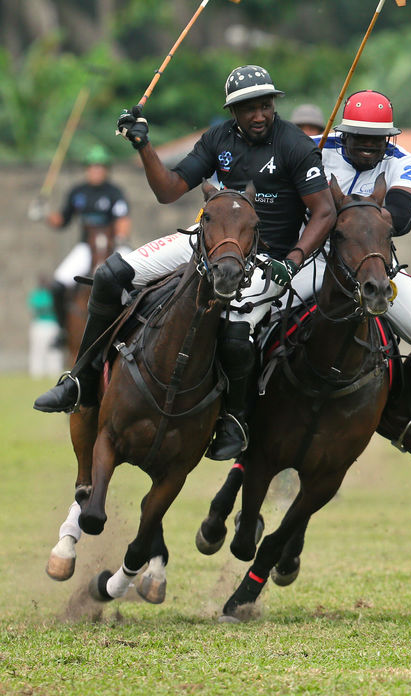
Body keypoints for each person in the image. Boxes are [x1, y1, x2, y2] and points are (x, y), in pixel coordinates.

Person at [34, 64, 336, 462]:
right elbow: (169, 190)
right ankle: (83, 381)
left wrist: (293, 260)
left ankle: (235, 419)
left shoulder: (295, 145)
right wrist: (144, 145)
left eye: (265, 106)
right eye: (249, 109)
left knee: (234, 330)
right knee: (110, 276)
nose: (260, 115)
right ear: (233, 112)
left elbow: (325, 211)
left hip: (266, 258)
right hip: (205, 243)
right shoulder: (217, 139)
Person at [300, 90, 411, 464]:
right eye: (360, 138)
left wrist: (356, 216)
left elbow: (400, 216)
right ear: (344, 133)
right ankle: (236, 414)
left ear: (389, 136)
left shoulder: (402, 161)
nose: (369, 147)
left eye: (377, 139)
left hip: (372, 267)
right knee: (253, 322)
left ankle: (397, 416)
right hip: (313, 262)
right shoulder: (314, 148)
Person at [44, 145, 131, 346]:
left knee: (139, 275)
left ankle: (134, 324)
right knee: (58, 284)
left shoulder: (114, 192)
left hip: (112, 244)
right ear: (87, 169)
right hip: (85, 247)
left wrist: (120, 237)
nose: (96, 170)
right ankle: (62, 331)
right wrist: (44, 214)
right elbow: (62, 220)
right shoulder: (77, 192)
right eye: (92, 166)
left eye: (100, 166)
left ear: (106, 169)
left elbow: (123, 220)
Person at [28, 276, 64, 377]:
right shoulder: (50, 295)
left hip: (44, 324)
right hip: (47, 324)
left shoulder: (37, 295)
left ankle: (39, 372)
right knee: (47, 350)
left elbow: (33, 310)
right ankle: (46, 372)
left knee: (45, 350)